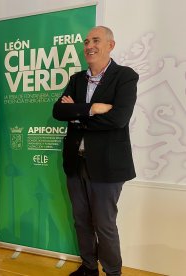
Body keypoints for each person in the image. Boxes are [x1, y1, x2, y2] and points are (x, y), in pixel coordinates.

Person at [52, 26, 138, 276]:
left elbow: (118, 119)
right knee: (81, 221)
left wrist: (76, 113)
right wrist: (91, 109)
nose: (89, 45)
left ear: (110, 45)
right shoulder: (77, 79)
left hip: (108, 165)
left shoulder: (125, 76)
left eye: (96, 40)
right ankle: (89, 268)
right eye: (87, 41)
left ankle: (113, 272)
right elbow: (58, 112)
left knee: (104, 225)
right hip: (75, 163)